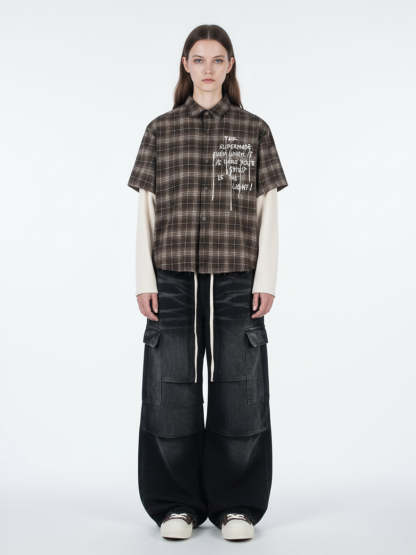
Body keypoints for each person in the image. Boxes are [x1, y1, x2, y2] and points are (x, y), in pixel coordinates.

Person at [127, 24, 289, 541]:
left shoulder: (254, 129)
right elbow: (146, 210)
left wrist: (266, 278)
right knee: (170, 389)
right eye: (198, 59)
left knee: (240, 389)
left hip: (237, 279)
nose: (208, 69)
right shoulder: (161, 130)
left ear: (230, 65)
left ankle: (236, 505)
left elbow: (268, 209)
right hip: (172, 280)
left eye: (218, 60)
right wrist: (144, 279)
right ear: (185, 65)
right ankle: (176, 505)